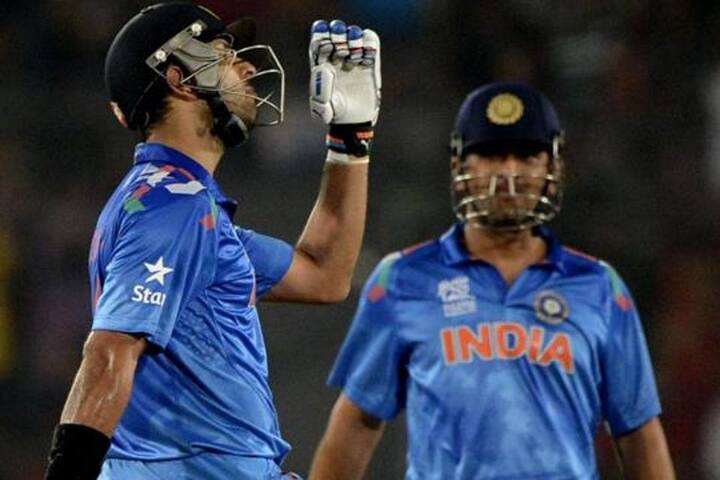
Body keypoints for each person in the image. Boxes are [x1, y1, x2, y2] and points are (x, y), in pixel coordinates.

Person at [44, 2, 381, 479]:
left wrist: (348, 143)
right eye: (223, 55)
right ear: (180, 79)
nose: (247, 67)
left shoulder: (177, 204)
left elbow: (324, 276)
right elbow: (108, 352)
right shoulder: (172, 205)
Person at [309, 82, 675, 479]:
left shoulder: (600, 288)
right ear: (459, 165)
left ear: (552, 167)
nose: (508, 172)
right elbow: (358, 423)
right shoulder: (402, 280)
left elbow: (637, 433)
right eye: (490, 154)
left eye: (526, 155)